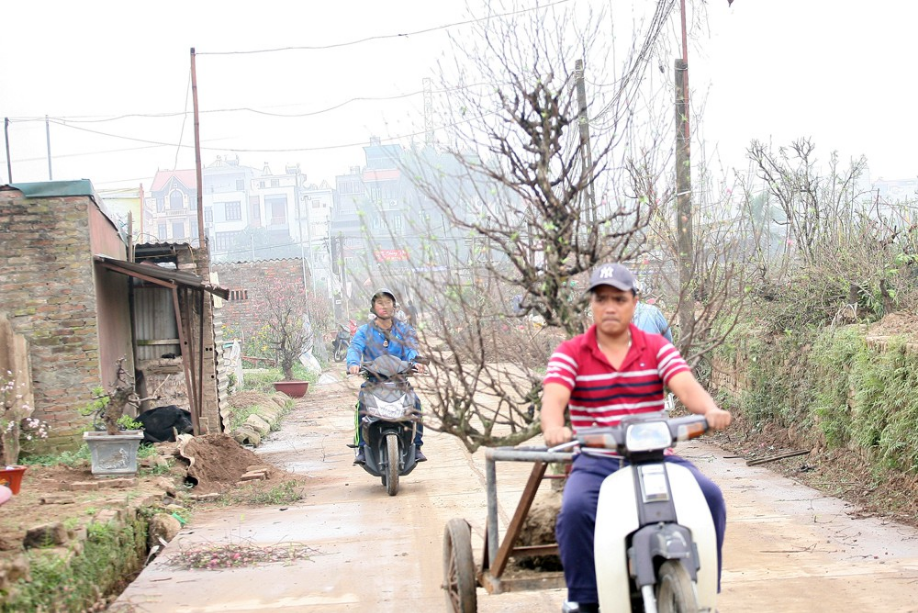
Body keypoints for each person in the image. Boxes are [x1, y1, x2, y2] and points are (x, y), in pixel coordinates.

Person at [540, 263, 731, 613]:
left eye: (618, 298)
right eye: (601, 299)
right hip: (597, 460)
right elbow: (553, 398)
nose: (609, 306)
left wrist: (710, 410)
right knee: (575, 510)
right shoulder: (571, 353)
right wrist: (554, 426)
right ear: (592, 305)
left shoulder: (656, 347)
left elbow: (686, 386)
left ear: (634, 302)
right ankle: (584, 600)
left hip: (657, 458)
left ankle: (703, 596)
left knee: (710, 496)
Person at [347, 288, 427, 464]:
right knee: (361, 406)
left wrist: (416, 362)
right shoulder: (364, 331)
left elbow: (412, 348)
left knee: (417, 404)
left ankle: (417, 447)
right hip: (374, 382)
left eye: (388, 303)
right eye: (380, 303)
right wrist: (353, 363)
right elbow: (355, 348)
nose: (384, 307)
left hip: (400, 382)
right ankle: (361, 448)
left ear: (394, 307)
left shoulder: (404, 330)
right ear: (373, 307)